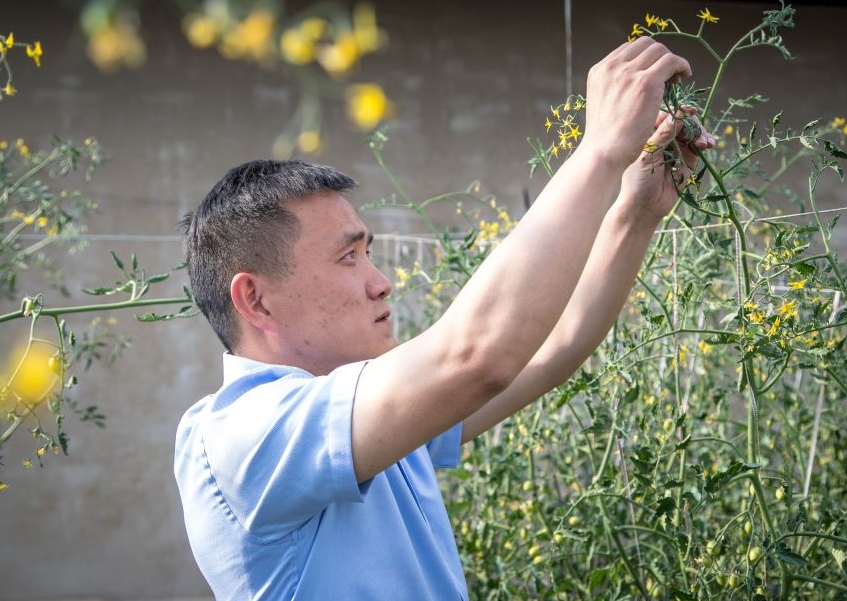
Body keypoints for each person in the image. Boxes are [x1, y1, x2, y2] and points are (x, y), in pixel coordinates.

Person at [174, 36, 714, 600]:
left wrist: (637, 211)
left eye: (369, 253)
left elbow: (552, 347)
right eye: (347, 257)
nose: (381, 281)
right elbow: (477, 356)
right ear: (256, 300)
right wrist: (599, 152)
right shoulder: (243, 433)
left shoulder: (360, 424)